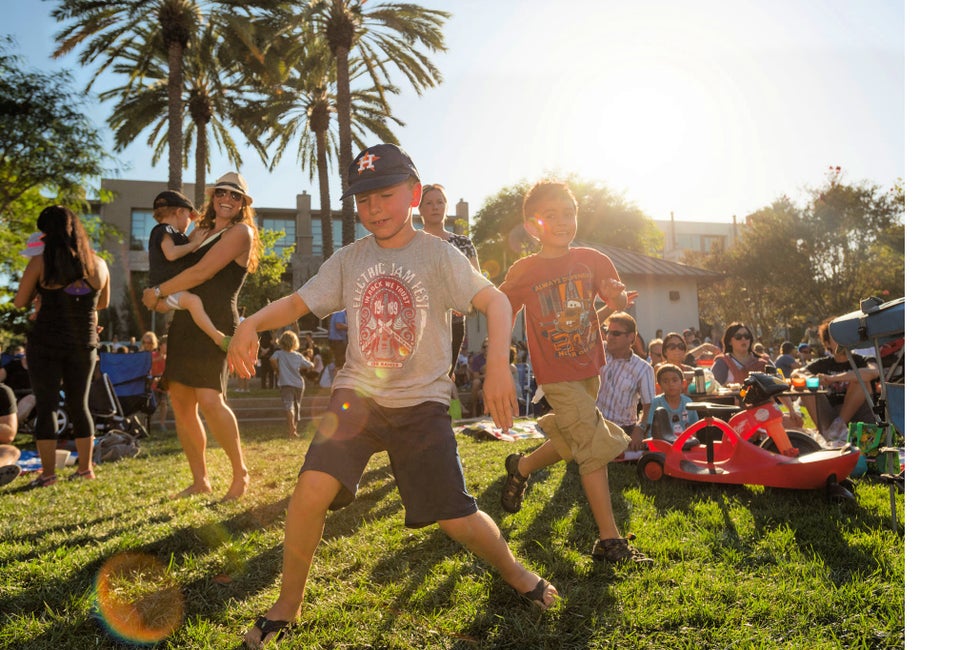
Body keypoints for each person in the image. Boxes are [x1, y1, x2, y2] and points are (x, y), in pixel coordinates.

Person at [226, 144, 557, 647]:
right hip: (357, 395)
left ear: (414, 194)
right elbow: (297, 302)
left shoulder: (438, 254)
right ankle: (287, 604)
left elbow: (495, 301)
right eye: (363, 200)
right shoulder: (349, 259)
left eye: (385, 195)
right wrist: (249, 322)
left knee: (456, 520)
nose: (374, 208)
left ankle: (515, 572)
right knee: (309, 492)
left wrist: (497, 368)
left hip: (422, 403)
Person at [497, 179, 653, 566]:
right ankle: (609, 541)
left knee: (572, 438)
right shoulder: (525, 270)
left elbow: (617, 299)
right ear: (532, 225)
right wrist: (498, 362)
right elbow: (501, 311)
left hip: (589, 368)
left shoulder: (592, 260)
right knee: (592, 445)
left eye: (568, 213)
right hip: (555, 374)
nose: (562, 222)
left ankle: (521, 467)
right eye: (550, 215)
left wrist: (616, 296)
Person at [141, 171, 260, 501]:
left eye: (235, 195)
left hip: (217, 321)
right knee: (181, 402)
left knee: (210, 399)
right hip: (185, 321)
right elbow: (176, 267)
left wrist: (158, 292)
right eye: (222, 192)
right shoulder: (199, 230)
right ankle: (200, 480)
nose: (227, 199)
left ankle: (240, 473)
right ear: (213, 196)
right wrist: (161, 299)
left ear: (242, 204)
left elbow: (202, 272)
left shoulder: (242, 232)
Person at [14, 205, 110, 487]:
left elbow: (20, 301)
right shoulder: (99, 264)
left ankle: (48, 475)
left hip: (46, 343)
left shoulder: (41, 262)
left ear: (47, 233)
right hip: (84, 343)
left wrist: (41, 295)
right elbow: (103, 303)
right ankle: (86, 469)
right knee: (80, 404)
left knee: (46, 406)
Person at [148, 190, 232, 351]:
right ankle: (217, 337)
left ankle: (216, 337)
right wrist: (194, 244)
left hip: (168, 291)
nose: (190, 222)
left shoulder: (175, 234)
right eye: (189, 217)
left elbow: (188, 244)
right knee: (193, 302)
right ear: (179, 212)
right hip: (166, 290)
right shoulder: (165, 230)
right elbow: (171, 254)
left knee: (192, 302)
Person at [419, 183, 481, 375]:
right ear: (420, 209)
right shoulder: (411, 243)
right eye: (429, 203)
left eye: (440, 202)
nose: (435, 207)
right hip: (419, 325)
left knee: (444, 377)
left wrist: (465, 305)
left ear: (446, 206)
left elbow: (476, 282)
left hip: (453, 325)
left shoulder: (463, 243)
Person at [792, 318, 879, 446]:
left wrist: (832, 378)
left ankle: (836, 430)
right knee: (805, 387)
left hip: (859, 416)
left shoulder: (864, 360)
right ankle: (829, 432)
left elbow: (873, 372)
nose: (843, 340)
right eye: (837, 337)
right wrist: (812, 379)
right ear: (827, 343)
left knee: (860, 380)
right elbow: (796, 373)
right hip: (830, 416)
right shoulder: (823, 364)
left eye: (845, 336)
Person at [597, 312, 655, 451]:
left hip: (622, 431)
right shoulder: (598, 350)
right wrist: (611, 307)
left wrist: (640, 429)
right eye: (608, 332)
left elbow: (649, 405)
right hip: (593, 426)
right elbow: (587, 326)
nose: (610, 337)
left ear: (631, 337)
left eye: (616, 333)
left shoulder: (643, 368)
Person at [270, 330, 314, 438]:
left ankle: (291, 430)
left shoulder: (279, 353)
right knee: (297, 406)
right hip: (298, 384)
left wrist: (277, 370)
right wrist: (302, 364)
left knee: (288, 406)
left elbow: (272, 360)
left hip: (285, 383)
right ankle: (294, 430)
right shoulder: (298, 356)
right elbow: (310, 365)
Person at [644, 363, 700, 434]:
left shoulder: (688, 402)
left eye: (675, 380)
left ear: (683, 383)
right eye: (665, 381)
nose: (671, 384)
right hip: (662, 440)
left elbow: (694, 427)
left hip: (685, 440)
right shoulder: (657, 402)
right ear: (659, 386)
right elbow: (650, 427)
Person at [710, 322, 767, 387]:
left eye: (746, 336)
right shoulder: (722, 363)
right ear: (729, 341)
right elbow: (712, 388)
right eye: (738, 337)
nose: (743, 339)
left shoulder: (763, 363)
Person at [142, 333, 170, 433]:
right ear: (160, 345)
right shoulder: (154, 354)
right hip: (153, 384)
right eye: (166, 345)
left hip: (163, 384)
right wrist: (160, 358)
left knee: (164, 403)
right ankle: (148, 424)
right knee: (153, 404)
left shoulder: (169, 357)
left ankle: (162, 424)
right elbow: (149, 363)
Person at [468, 339, 488, 417]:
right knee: (476, 382)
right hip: (481, 382)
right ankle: (474, 407)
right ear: (482, 348)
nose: (486, 348)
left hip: (494, 382)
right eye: (484, 347)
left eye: (488, 346)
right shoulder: (477, 359)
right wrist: (486, 376)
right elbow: (476, 376)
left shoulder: (495, 357)